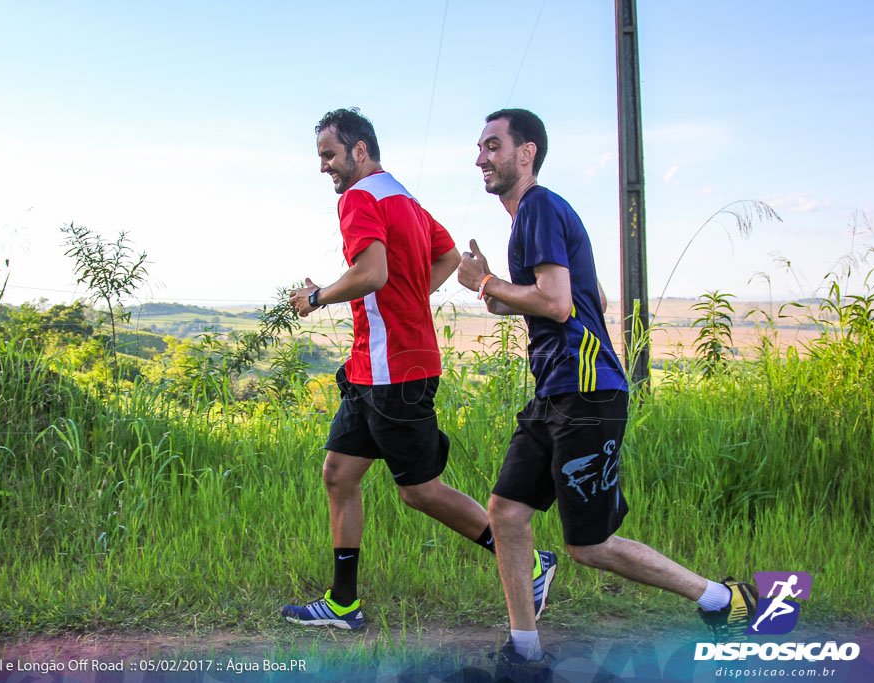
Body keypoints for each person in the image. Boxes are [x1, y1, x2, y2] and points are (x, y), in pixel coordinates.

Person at [457, 108, 757, 663]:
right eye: (480, 147)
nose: (481, 157)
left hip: (589, 392)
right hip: (556, 393)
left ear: (527, 153)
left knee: (588, 545)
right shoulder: (529, 218)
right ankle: (524, 653)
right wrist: (489, 287)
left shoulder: (540, 206)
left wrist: (489, 281)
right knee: (506, 512)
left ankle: (724, 599)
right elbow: (531, 302)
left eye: (493, 146)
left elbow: (555, 302)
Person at [280, 108, 557, 630]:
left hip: (393, 372)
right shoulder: (400, 196)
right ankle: (344, 603)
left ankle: (532, 561)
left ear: (360, 150)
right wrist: (410, 297)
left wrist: (317, 296)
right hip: (372, 368)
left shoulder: (359, 198)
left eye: (329, 155)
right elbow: (448, 256)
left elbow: (371, 272)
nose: (324, 168)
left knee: (419, 490)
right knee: (339, 474)